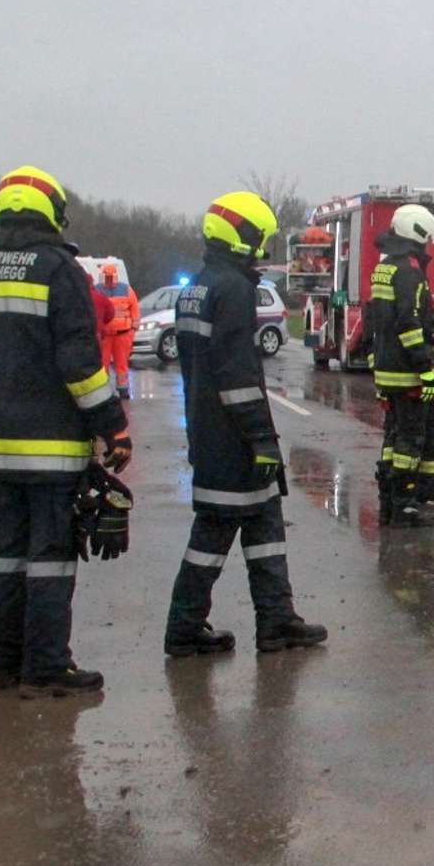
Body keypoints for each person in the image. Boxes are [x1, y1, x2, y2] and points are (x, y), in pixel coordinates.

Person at [0, 165, 129, 696]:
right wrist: (112, 426)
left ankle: (3, 665)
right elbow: (78, 361)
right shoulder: (58, 269)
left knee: (4, 555)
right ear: (51, 210)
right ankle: (48, 666)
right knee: (50, 558)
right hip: (49, 446)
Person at [163, 190, 327, 657]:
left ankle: (277, 621)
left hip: (209, 430)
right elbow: (235, 376)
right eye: (260, 239)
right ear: (244, 236)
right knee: (213, 534)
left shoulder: (197, 286)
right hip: (232, 438)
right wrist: (260, 438)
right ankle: (184, 628)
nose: (262, 249)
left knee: (265, 527)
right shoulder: (233, 290)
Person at [358, 203, 434, 526]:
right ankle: (403, 505)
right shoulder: (409, 271)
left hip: (387, 366)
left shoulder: (385, 266)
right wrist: (425, 368)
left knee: (393, 437)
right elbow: (408, 324)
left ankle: (388, 499)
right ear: (417, 233)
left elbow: (374, 318)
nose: (430, 244)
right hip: (406, 370)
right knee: (410, 439)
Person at [95, 261, 139, 399]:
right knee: (103, 364)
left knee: (122, 364)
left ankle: (123, 389)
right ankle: (105, 391)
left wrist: (134, 327)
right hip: (105, 335)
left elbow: (134, 308)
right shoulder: (97, 289)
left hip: (122, 334)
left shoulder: (126, 289)